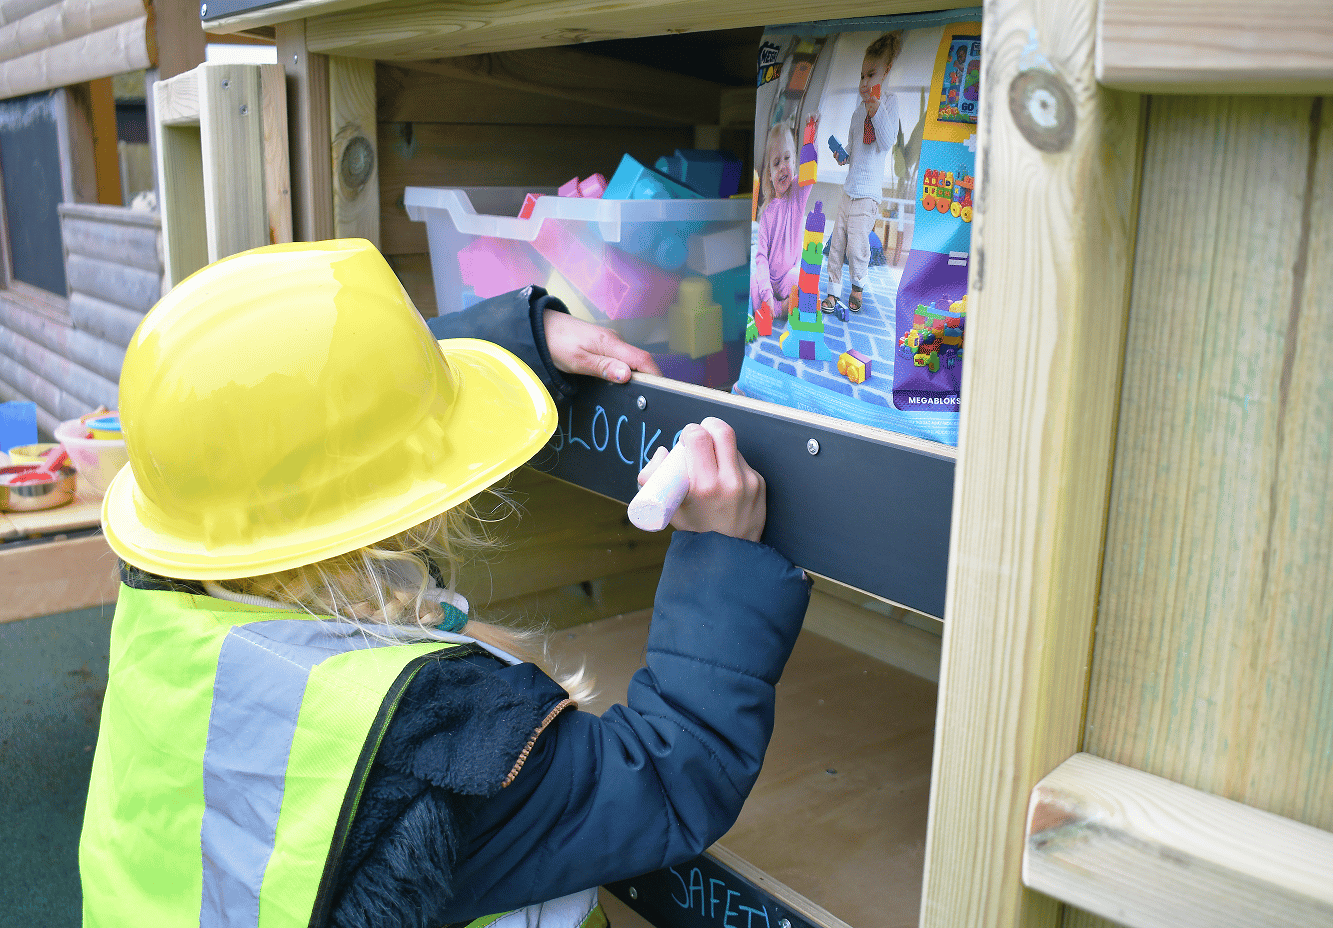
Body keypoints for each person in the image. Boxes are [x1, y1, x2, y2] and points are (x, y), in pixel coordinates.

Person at [79, 239, 812, 928]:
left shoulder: (164, 598)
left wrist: (523, 341)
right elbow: (666, 777)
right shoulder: (429, 751)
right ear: (394, 514)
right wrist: (722, 556)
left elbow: (293, 395)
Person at [824, 30, 902, 315]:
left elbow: (886, 141)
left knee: (857, 246)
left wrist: (875, 111)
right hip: (848, 190)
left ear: (887, 71)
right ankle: (833, 290)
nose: (864, 82)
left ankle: (857, 285)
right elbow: (855, 146)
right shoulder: (858, 111)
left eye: (871, 75)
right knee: (837, 243)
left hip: (868, 195)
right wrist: (842, 155)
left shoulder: (889, 103)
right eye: (861, 76)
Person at [752, 119, 814, 320]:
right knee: (753, 284)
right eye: (776, 163)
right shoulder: (767, 214)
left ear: (795, 163)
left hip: (789, 276)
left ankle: (779, 308)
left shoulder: (798, 193)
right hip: (769, 280)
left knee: (803, 282)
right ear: (769, 174)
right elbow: (760, 257)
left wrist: (811, 134)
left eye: (787, 159)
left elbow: (809, 171)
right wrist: (767, 294)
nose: (782, 167)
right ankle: (777, 307)